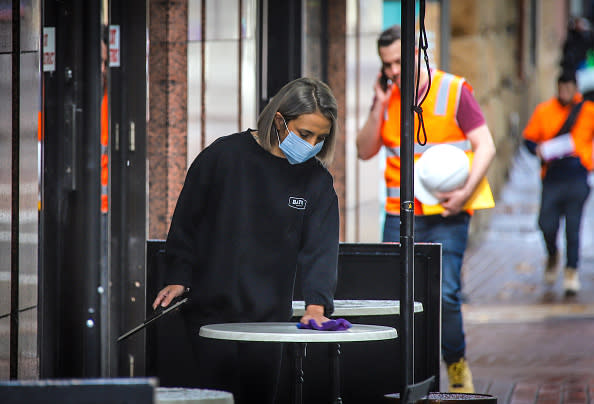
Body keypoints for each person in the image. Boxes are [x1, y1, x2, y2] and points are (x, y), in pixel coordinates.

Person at [152, 77, 340, 403]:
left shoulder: (317, 181)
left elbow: (320, 249)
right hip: (209, 315)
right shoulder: (223, 157)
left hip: (269, 321)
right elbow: (186, 221)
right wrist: (178, 276)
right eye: (305, 134)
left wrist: (316, 306)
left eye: (320, 138)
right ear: (280, 120)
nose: (311, 144)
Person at [357, 25, 496, 393]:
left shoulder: (453, 90)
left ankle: (456, 364)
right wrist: (379, 106)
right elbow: (364, 149)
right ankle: (404, 374)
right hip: (398, 215)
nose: (393, 71)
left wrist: (465, 194)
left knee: (446, 295)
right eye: (387, 64)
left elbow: (486, 146)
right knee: (394, 296)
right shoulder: (387, 94)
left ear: (419, 53)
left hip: (448, 215)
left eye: (399, 62)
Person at [523, 71, 593, 296]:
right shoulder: (544, 111)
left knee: (573, 227)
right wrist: (538, 150)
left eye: (569, 88)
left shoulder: (588, 111)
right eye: (561, 88)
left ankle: (571, 272)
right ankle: (553, 255)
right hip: (552, 177)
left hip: (578, 177)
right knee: (546, 223)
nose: (565, 92)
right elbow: (528, 140)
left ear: (575, 89)